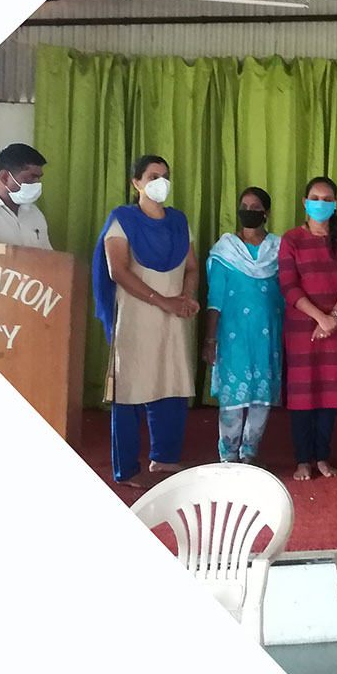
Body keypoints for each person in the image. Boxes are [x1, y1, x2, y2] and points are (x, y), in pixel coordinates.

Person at [91, 154, 198, 487]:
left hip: (174, 317)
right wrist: (162, 301)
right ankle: (127, 469)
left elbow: (191, 268)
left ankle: (164, 457)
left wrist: (185, 297)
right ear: (136, 182)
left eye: (165, 176)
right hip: (138, 316)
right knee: (133, 389)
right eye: (152, 176)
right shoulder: (122, 220)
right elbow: (118, 270)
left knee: (172, 384)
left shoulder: (179, 221)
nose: (160, 182)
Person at [278, 176, 337, 481]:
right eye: (315, 197)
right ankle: (302, 460)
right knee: (303, 398)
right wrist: (320, 318)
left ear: (336, 203)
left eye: (327, 199)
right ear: (304, 202)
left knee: (330, 397)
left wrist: (334, 317)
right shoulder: (291, 240)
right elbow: (288, 285)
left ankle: (323, 457)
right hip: (302, 330)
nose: (321, 203)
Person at [202, 187, 283, 465]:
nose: (248, 210)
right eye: (244, 205)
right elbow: (215, 299)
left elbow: (287, 294)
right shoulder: (225, 250)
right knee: (232, 402)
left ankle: (249, 454)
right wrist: (210, 340)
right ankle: (228, 456)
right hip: (231, 336)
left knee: (262, 399)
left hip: (267, 336)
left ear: (266, 213)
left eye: (255, 206)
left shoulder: (279, 250)